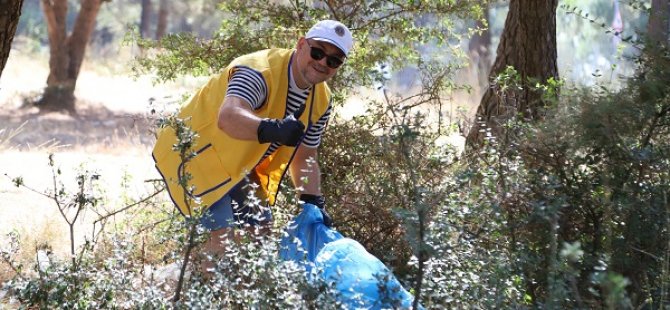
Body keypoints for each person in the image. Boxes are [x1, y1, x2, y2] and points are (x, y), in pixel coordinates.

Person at [152, 20, 353, 265]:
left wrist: (312, 200)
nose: (322, 62)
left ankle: (188, 283)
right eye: (318, 52)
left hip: (237, 165)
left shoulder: (321, 100)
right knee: (221, 241)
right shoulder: (258, 72)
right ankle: (191, 294)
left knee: (260, 237)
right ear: (301, 45)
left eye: (333, 60)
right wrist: (272, 128)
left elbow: (305, 154)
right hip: (194, 153)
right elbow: (229, 117)